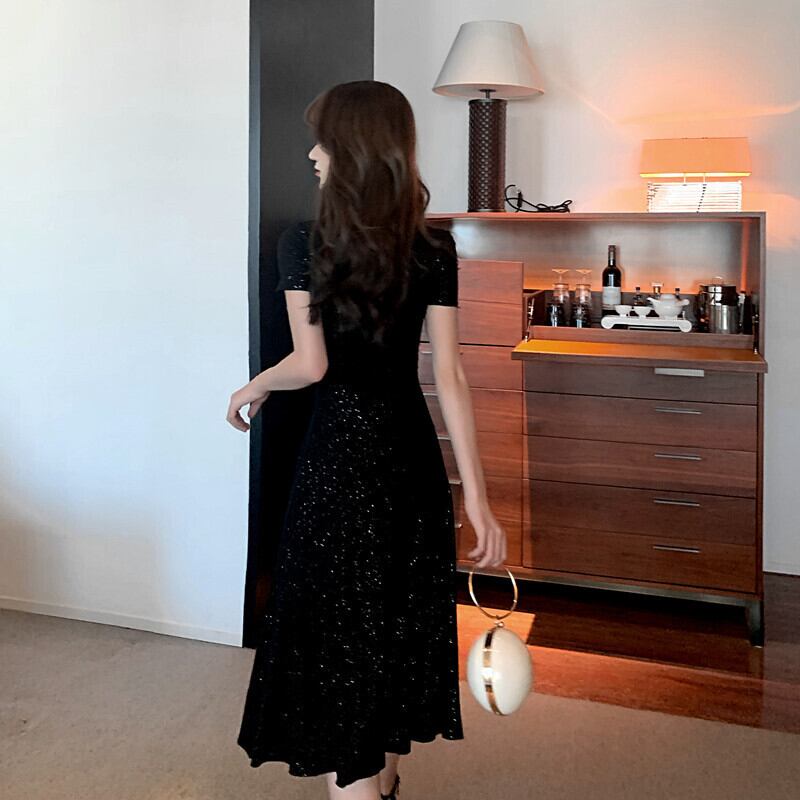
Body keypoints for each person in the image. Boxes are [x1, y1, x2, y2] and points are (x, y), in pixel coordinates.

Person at [227, 80, 507, 800]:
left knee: (336, 639)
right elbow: (450, 376)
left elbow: (310, 365)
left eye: (322, 140)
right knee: (388, 626)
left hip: (340, 462)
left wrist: (253, 386)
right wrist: (477, 500)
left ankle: (360, 787)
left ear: (350, 148)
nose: (312, 154)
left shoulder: (304, 243)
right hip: (409, 460)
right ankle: (382, 785)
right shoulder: (433, 246)